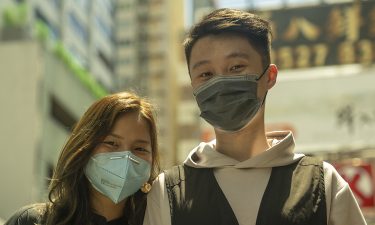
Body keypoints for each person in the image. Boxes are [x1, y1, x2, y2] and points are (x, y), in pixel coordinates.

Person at [143, 8, 367, 225]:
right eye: (206, 74)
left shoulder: (323, 184)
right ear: (193, 85)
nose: (220, 83)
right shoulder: (168, 193)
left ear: (269, 76)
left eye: (236, 67)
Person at [5, 91, 160, 225]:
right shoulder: (31, 221)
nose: (126, 158)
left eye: (140, 149)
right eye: (111, 143)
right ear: (85, 147)